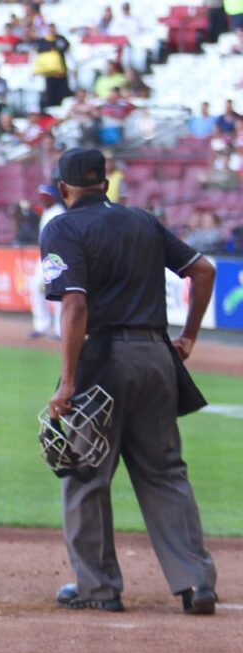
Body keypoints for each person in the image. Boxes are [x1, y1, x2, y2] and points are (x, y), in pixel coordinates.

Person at [41, 147, 218, 615]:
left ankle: (97, 589)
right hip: (158, 358)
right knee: (165, 472)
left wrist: (67, 380)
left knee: (85, 474)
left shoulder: (62, 227)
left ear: (64, 189)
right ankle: (196, 583)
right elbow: (203, 270)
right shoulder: (142, 220)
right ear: (105, 181)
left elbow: (74, 304)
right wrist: (188, 337)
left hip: (103, 359)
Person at [29, 183, 65, 340]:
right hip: (43, 256)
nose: (42, 200)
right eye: (42, 197)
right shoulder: (47, 211)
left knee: (57, 294)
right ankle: (41, 325)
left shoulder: (59, 213)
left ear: (53, 198)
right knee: (36, 289)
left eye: (46, 197)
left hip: (56, 257)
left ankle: (60, 330)